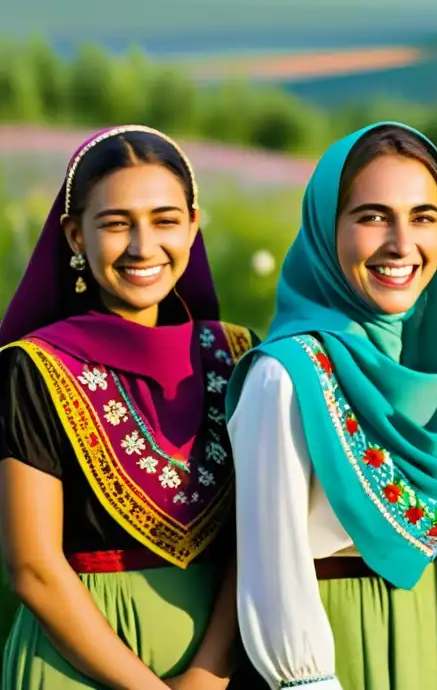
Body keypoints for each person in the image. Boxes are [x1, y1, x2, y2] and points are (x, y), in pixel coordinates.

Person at [0, 125, 257, 689]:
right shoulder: (36, 367)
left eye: (165, 220)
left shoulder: (240, 354)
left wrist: (211, 674)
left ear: (193, 224)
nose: (143, 247)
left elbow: (260, 534)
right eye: (116, 224)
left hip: (223, 660)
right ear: (74, 235)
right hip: (75, 662)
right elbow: (33, 568)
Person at [224, 122, 437, 690]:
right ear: (324, 227)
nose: (401, 244)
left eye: (423, 217)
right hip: (333, 650)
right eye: (372, 216)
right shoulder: (286, 377)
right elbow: (272, 573)